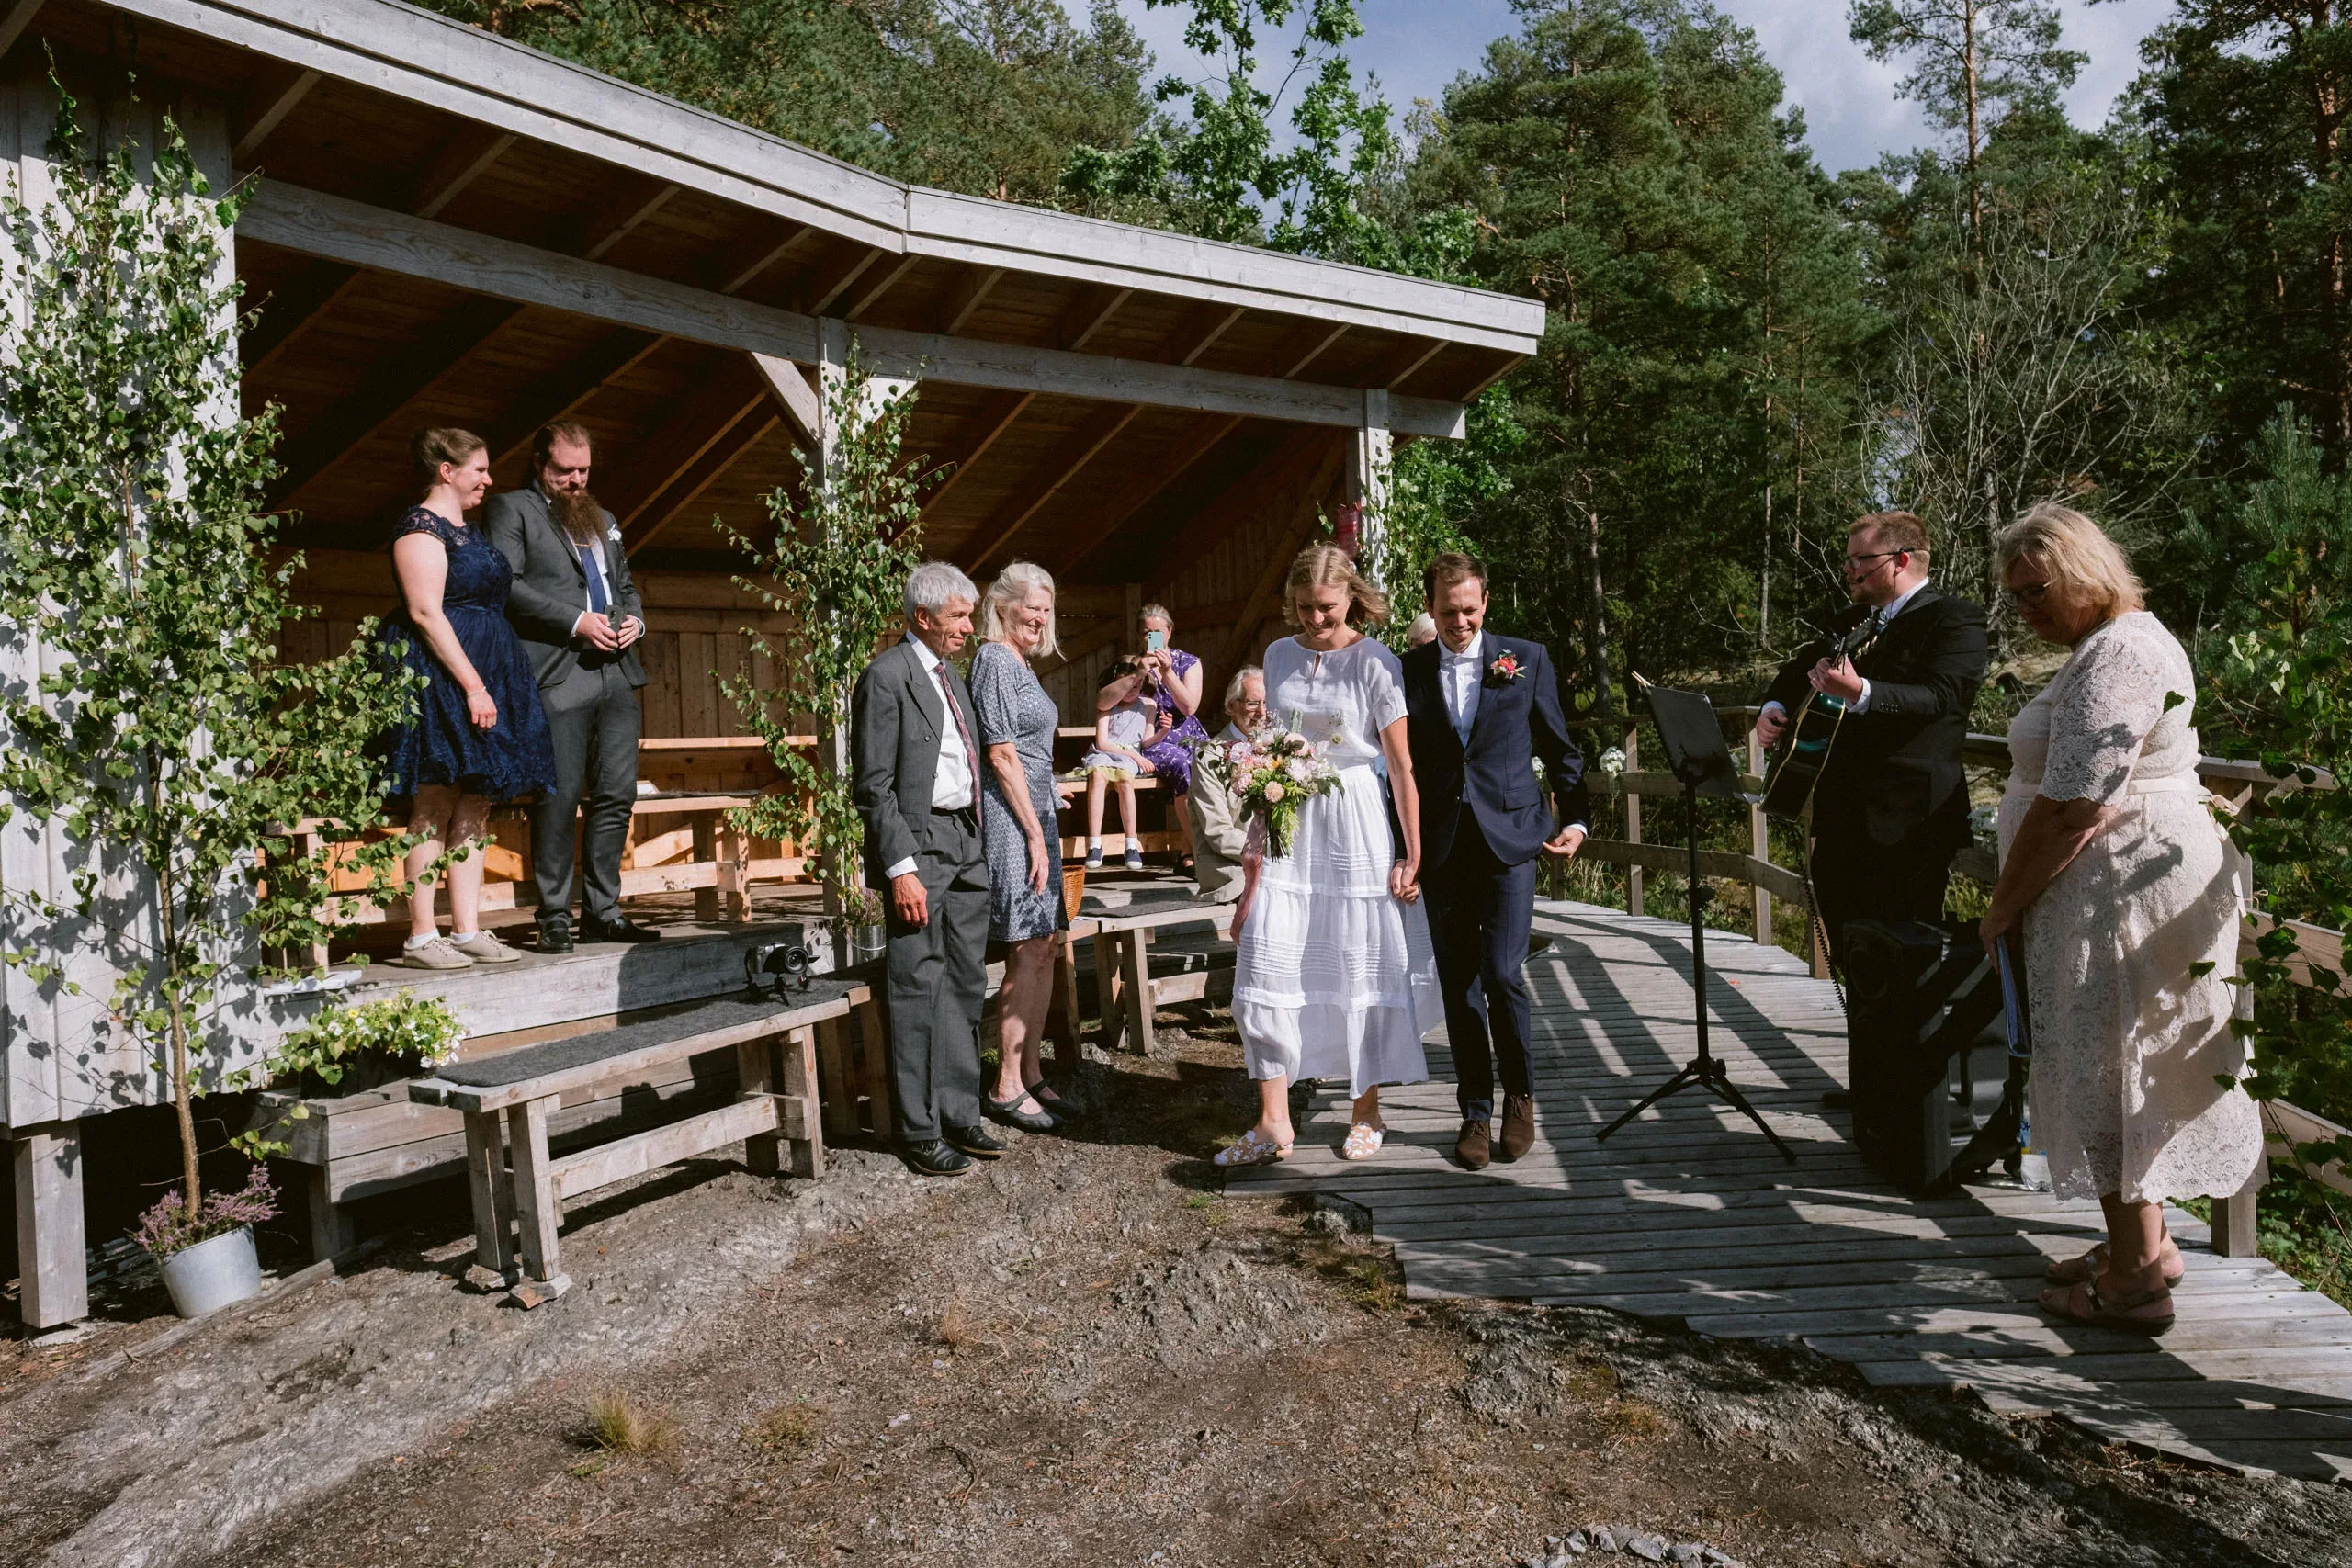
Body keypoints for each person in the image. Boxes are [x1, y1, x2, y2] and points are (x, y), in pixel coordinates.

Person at [1980, 505, 2262, 1336]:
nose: (2027, 610)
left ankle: (2136, 1280)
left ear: (2082, 571)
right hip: (2116, 883)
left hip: (2117, 890)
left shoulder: (2122, 653)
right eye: (2016, 597)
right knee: (2116, 1052)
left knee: (2111, 1060)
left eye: (2038, 591)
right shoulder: (2108, 647)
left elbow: (2073, 805)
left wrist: (2002, 907)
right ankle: (2144, 1243)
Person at [1216, 545, 1442, 1168]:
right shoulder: (1278, 655)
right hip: (1291, 823)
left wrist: (1411, 852)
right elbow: (1269, 752)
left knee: (1355, 964)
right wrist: (1253, 857)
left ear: (1351, 601)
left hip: (1357, 824)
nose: (1315, 619)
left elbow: (1399, 766)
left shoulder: (1375, 662)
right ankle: (1273, 1122)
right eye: (1305, 607)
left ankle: (1366, 1111)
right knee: (1265, 956)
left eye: (1327, 608)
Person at [1401, 552, 1593, 1169]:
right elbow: (1395, 768)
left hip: (1512, 838)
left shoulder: (1524, 658)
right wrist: (1402, 848)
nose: (1460, 621)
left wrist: (1578, 820)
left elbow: (1562, 748)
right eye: (1448, 610)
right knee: (1459, 984)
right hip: (1443, 844)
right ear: (1430, 606)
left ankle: (1521, 1097)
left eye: (1470, 609)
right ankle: (1475, 1111)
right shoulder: (1407, 670)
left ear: (1486, 604)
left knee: (1504, 972)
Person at [1756, 511, 1988, 967]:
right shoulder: (1853, 619)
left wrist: (1860, 692)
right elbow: (1792, 671)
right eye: (1848, 559)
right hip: (1841, 818)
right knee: (1849, 952)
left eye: (1859, 559)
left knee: (1902, 962)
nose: (1848, 569)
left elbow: (1942, 698)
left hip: (1909, 827)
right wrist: (1773, 709)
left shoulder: (1955, 620)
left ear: (1900, 560)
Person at [376, 428, 558, 970]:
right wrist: (472, 684)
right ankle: (421, 934)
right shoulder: (419, 528)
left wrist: (492, 681)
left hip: (491, 667)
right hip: (440, 675)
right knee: (434, 797)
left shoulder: (470, 531)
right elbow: (426, 612)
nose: (488, 478)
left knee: (478, 798)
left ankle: (467, 929)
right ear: (446, 471)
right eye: (479, 469)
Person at [851, 561, 1005, 1177]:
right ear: (922, 617)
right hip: (919, 845)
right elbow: (874, 786)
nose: (969, 626)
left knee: (966, 979)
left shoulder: (951, 675)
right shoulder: (886, 678)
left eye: (969, 614)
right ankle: (917, 1128)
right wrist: (901, 867)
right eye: (959, 616)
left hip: (965, 840)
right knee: (917, 983)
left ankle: (959, 1109)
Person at [484, 420, 654, 953]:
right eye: (565, 470)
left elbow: (625, 587)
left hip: (616, 674)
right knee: (557, 798)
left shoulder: (602, 518)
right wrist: (577, 621)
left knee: (616, 796)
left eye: (584, 469)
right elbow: (506, 585)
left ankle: (604, 910)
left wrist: (634, 621)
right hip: (558, 671)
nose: (577, 480)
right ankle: (555, 913)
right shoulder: (511, 510)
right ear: (540, 464)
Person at [969, 561, 1069, 1133]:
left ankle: (1031, 1070)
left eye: (1047, 609)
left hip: (1038, 813)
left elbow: (1029, 753)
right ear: (1003, 605)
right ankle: (1004, 1083)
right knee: (1025, 947)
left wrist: (1049, 790)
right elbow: (1001, 754)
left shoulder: (1022, 664)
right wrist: (1033, 831)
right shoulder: (992, 660)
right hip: (1012, 823)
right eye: (1032, 606)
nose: (1040, 618)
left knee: (1047, 944)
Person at [1098, 603, 1209, 870]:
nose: (1152, 638)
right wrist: (1138, 673)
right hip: (1151, 740)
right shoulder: (1130, 665)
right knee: (1182, 763)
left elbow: (1189, 707)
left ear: (1169, 632)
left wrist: (1168, 673)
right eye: (1147, 633)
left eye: (1157, 632)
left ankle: (1188, 848)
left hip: (1188, 734)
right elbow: (1103, 702)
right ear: (1140, 636)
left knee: (1212, 763)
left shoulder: (1188, 662)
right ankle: (1199, 852)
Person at [1188, 666, 1266, 903]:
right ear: (1232, 706)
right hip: (1231, 871)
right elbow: (1218, 832)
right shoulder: (1209, 756)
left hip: (1276, 865)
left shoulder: (1278, 748)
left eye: (1267, 702)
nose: (1262, 712)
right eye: (1253, 703)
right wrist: (1270, 854)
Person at [1081, 659, 1157, 871]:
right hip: (1105, 753)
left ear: (1141, 684)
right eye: (1124, 686)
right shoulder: (1107, 706)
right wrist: (1137, 757)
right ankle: (1095, 844)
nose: (1130, 691)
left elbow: (1146, 740)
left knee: (1125, 780)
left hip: (1130, 757)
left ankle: (1131, 845)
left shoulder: (1149, 706)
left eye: (1135, 686)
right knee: (1097, 776)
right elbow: (1103, 743)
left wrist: (1163, 733)